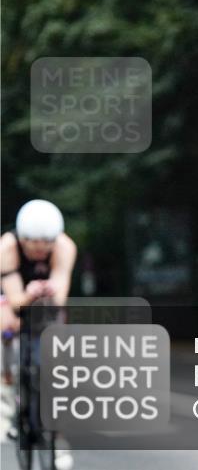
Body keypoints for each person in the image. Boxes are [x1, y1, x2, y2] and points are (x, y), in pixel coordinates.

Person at [0, 199, 77, 470]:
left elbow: (59, 298)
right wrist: (29, 294)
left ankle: (58, 436)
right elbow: (16, 302)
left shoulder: (65, 247)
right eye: (33, 244)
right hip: (13, 296)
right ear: (22, 239)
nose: (39, 250)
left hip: (44, 303)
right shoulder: (6, 248)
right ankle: (8, 398)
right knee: (5, 326)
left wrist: (48, 292)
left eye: (46, 244)